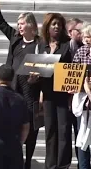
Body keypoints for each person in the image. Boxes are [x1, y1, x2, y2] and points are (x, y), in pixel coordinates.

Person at [0, 0, 41, 168]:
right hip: (13, 89)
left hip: (30, 91)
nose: (19, 27)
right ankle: (14, 159)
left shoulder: (40, 44)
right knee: (13, 125)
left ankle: (28, 161)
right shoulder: (15, 39)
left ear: (30, 25)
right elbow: (0, 21)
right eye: (18, 24)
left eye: (22, 24)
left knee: (31, 129)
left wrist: (38, 80)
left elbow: (45, 69)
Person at [38, 13, 73, 169]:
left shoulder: (68, 44)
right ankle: (50, 165)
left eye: (59, 24)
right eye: (53, 24)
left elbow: (74, 67)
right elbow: (38, 70)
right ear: (47, 26)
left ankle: (63, 165)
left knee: (64, 130)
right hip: (47, 94)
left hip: (64, 94)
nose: (57, 27)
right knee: (50, 131)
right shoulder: (41, 45)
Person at [71, 22, 91, 169]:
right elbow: (72, 74)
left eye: (89, 36)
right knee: (82, 137)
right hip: (83, 102)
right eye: (84, 36)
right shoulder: (81, 51)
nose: (86, 39)